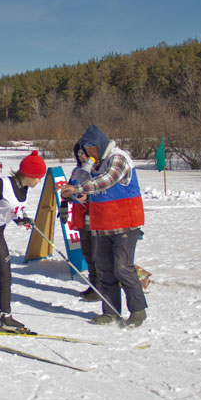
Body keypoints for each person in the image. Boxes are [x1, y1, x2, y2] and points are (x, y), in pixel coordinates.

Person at [60, 125, 147, 327]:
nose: (88, 155)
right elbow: (93, 190)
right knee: (104, 269)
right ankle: (110, 312)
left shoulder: (118, 158)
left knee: (122, 268)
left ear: (99, 146)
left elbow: (106, 181)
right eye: (85, 151)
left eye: (91, 149)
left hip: (124, 224)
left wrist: (80, 187)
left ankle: (138, 311)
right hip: (102, 225)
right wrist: (78, 194)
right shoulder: (95, 165)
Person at [0, 151, 46, 332]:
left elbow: (11, 210)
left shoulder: (24, 189)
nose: (39, 182)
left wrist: (20, 219)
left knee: (6, 275)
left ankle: (5, 318)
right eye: (37, 177)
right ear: (28, 174)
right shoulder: (1, 184)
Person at [61, 142, 100, 301]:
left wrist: (89, 197)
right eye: (78, 154)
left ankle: (102, 288)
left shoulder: (98, 171)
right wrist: (65, 199)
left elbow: (103, 191)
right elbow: (69, 189)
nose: (81, 156)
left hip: (96, 217)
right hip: (80, 217)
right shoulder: (76, 171)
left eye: (83, 153)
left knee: (98, 254)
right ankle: (94, 286)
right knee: (87, 253)